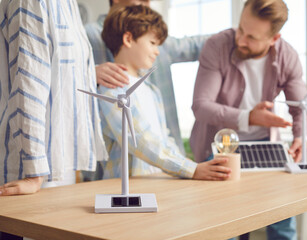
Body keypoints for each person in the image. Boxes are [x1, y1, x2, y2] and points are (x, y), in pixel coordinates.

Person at [190, 0, 307, 239]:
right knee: (224, 224)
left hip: (266, 145)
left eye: (252, 37)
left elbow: (302, 108)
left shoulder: (288, 56)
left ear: (274, 39)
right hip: (218, 148)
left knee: (282, 218)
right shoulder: (217, 46)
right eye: (241, 29)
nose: (241, 40)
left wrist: (301, 137)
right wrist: (249, 117)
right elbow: (201, 106)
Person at [98, 4, 231, 181]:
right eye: (152, 43)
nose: (157, 51)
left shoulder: (152, 91)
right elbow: (139, 140)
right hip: (126, 191)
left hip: (159, 183)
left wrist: (187, 165)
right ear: (128, 39)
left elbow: (164, 138)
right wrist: (189, 169)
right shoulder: (111, 89)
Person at [0, 0, 108, 196]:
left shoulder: (68, 5)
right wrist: (33, 173)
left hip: (56, 167)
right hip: (27, 173)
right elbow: (29, 82)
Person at [86, 0, 210, 155]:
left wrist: (237, 35)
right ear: (128, 39)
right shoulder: (87, 36)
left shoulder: (153, 91)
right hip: (124, 162)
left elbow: (195, 46)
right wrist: (89, 73)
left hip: (166, 160)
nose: (147, 4)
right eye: (143, 0)